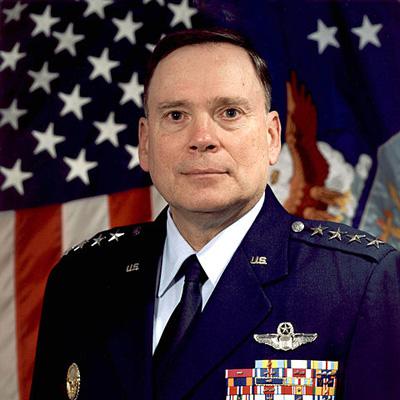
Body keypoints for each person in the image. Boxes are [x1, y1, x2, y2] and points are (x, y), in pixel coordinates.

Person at [30, 28, 400, 400]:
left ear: (272, 137)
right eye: (176, 115)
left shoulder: (357, 285)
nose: (202, 138)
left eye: (230, 112)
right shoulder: (82, 281)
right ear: (145, 142)